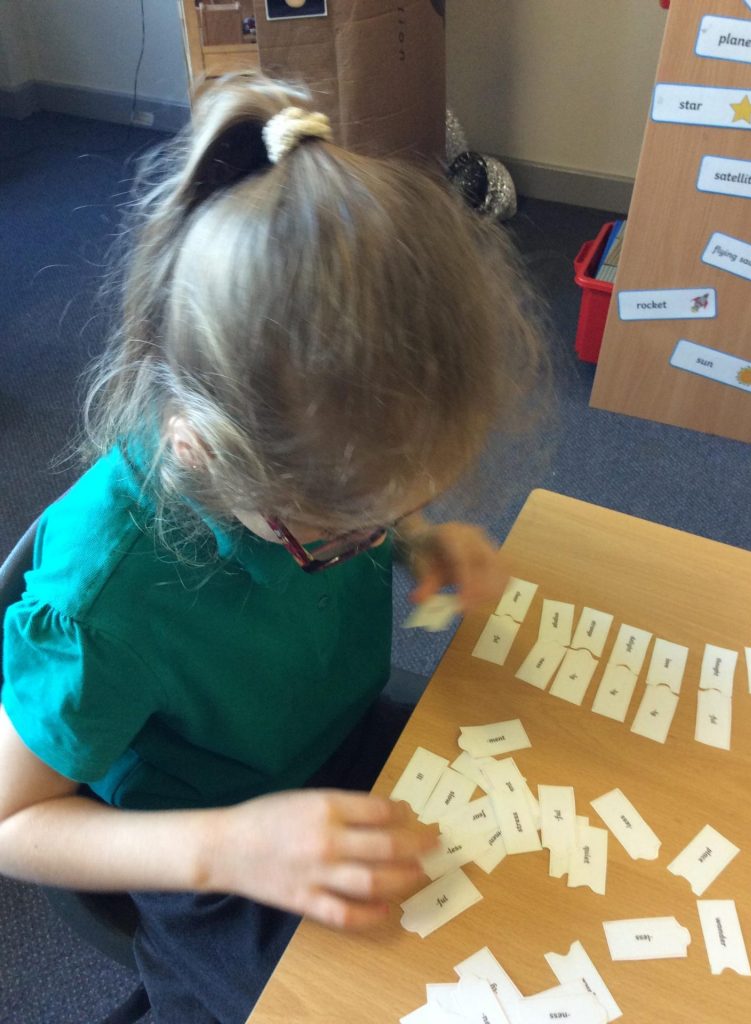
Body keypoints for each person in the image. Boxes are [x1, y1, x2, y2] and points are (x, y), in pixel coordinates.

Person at [0, 74, 546, 1023]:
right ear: (200, 449)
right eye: (344, 533)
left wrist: (423, 542)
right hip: (210, 850)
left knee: (524, 877)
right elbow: (11, 820)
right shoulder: (103, 602)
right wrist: (227, 849)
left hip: (334, 736)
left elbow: (361, 498)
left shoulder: (319, 463)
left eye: (401, 502)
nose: (375, 533)